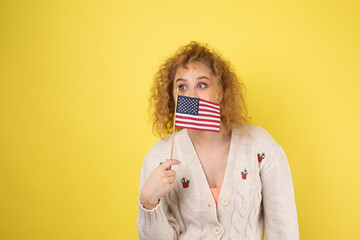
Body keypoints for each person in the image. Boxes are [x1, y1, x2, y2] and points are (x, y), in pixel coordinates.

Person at [136, 41, 299, 239]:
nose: (192, 96)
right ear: (172, 95)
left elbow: (284, 229)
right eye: (182, 87)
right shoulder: (159, 157)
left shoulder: (260, 147)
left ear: (220, 93)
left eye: (202, 85)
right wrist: (148, 202)